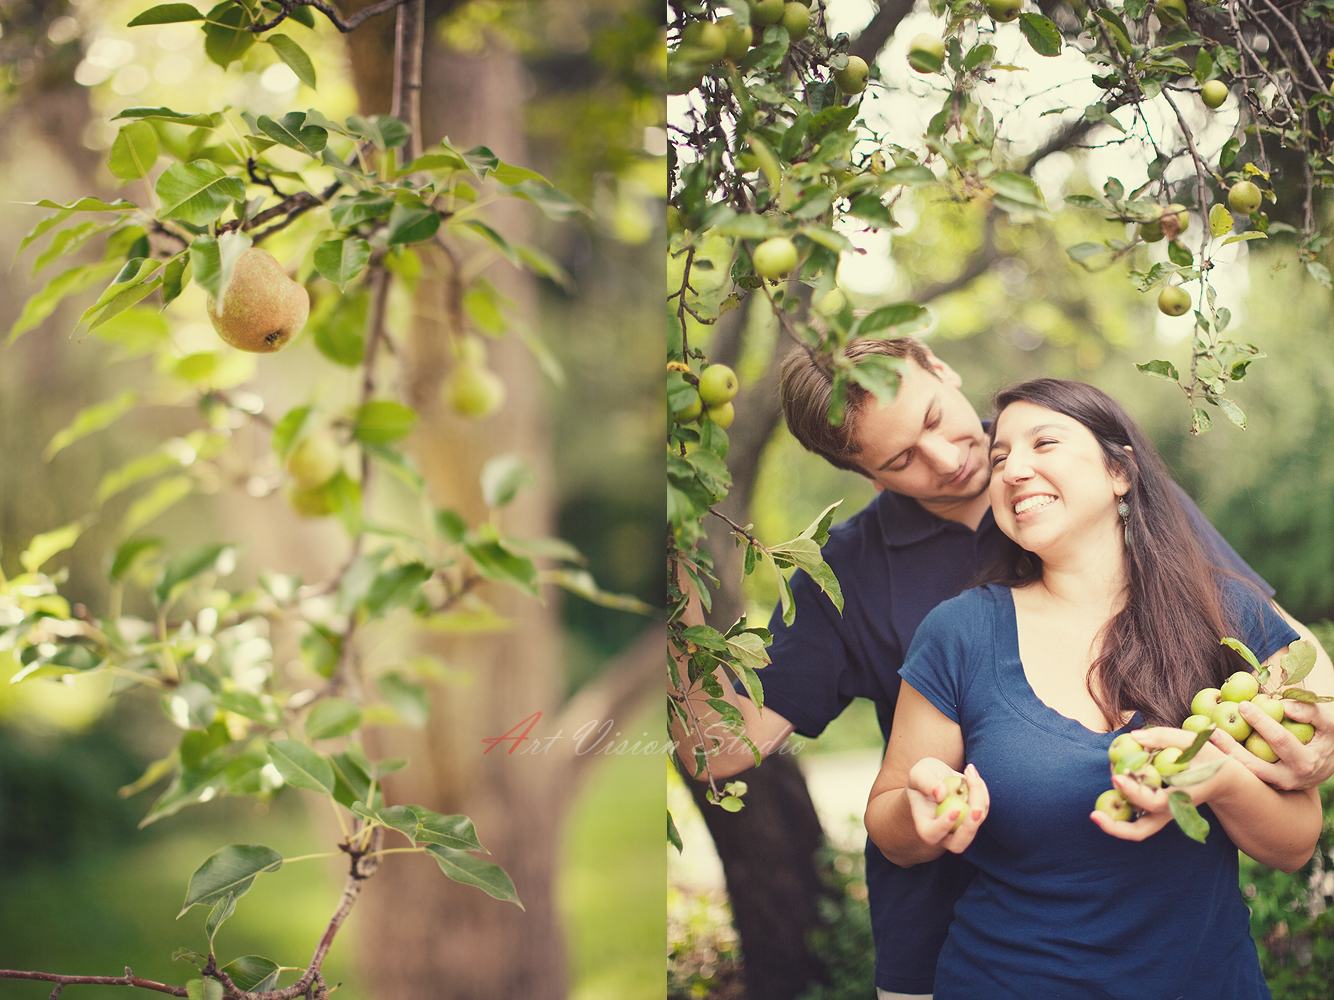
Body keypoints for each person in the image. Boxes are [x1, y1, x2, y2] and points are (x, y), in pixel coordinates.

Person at [671, 337, 1334, 999]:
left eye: (935, 418)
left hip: (1167, 942)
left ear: (940, 367)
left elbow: (1289, 664)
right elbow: (716, 752)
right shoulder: (852, 574)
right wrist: (672, 553)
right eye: (902, 458)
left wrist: (1300, 747)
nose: (950, 459)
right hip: (952, 942)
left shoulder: (1071, 462)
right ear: (866, 475)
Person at [863, 378, 1334, 999]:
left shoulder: (1222, 615)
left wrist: (1216, 780)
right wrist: (916, 811)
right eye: (1000, 456)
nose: (1011, 470)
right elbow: (890, 823)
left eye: (1044, 442)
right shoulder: (960, 633)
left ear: (1120, 471)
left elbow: (1295, 846)